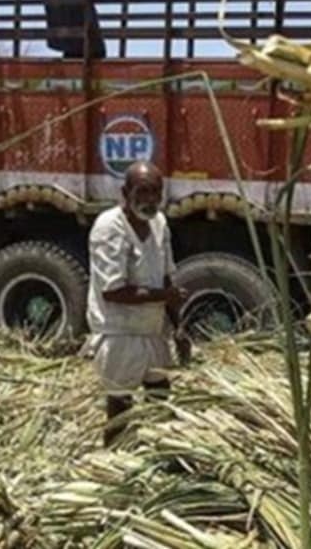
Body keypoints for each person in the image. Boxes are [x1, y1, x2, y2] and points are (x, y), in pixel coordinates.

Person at [85, 161, 186, 447]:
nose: (150, 200)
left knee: (161, 400)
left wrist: (179, 328)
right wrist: (164, 297)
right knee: (120, 407)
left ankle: (161, 457)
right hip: (120, 333)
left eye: (156, 192)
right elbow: (113, 291)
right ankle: (115, 461)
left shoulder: (159, 223)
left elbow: (167, 278)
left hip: (153, 330)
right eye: (142, 192)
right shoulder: (109, 228)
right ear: (125, 192)